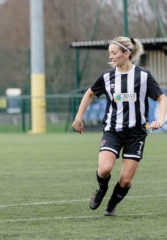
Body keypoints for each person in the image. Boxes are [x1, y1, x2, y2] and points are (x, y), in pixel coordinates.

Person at [72, 36, 167, 216]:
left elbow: (162, 98)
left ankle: (111, 206)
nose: (111, 57)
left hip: (136, 134)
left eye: (114, 53)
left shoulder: (143, 76)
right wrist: (78, 118)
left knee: (125, 181)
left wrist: (160, 120)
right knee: (105, 169)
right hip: (112, 130)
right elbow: (89, 94)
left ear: (126, 54)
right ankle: (101, 189)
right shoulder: (107, 77)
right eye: (110, 54)